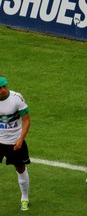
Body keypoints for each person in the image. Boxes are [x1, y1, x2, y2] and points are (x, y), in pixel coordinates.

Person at [0, 76, 31, 211]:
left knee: (20, 169)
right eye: (0, 88)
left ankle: (25, 198)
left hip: (15, 142)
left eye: (4, 86)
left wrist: (20, 139)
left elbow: (27, 121)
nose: (3, 90)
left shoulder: (16, 98)